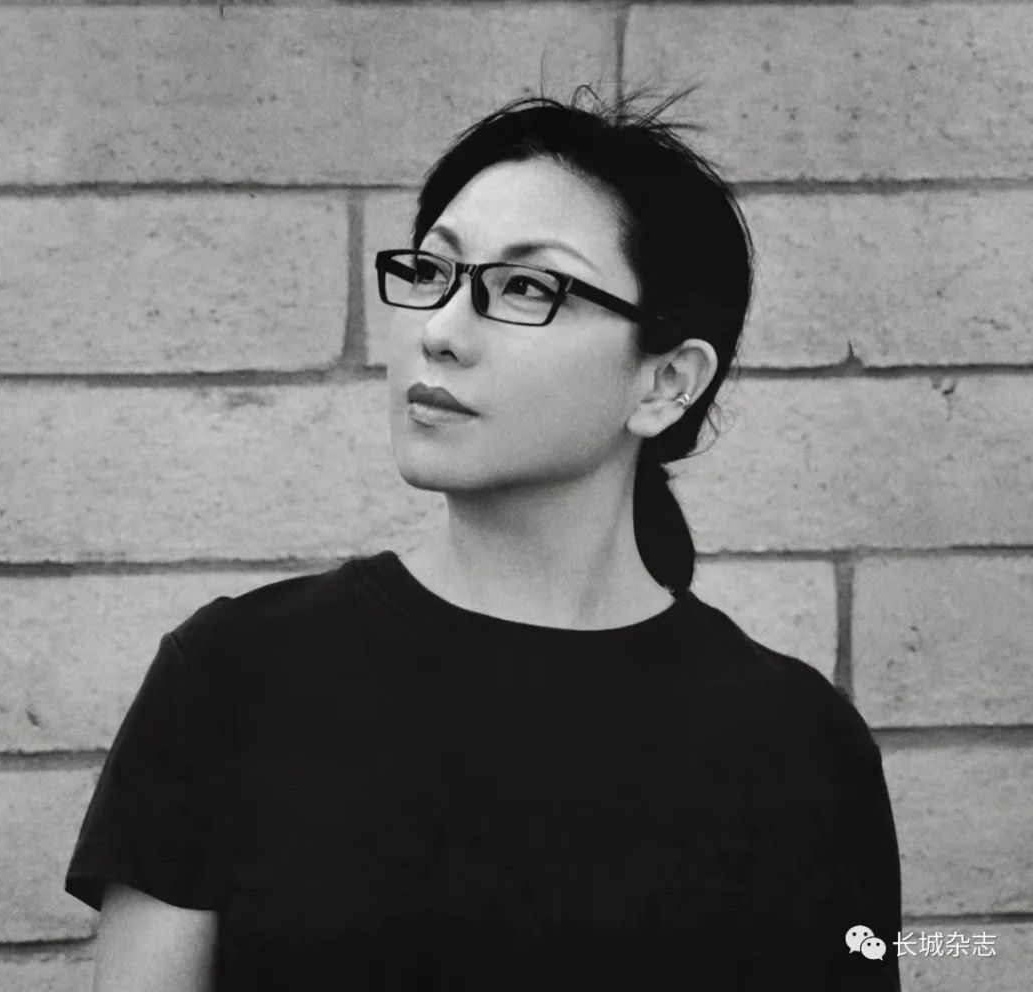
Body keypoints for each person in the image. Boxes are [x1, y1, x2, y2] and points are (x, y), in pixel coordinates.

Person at [64, 88, 902, 991]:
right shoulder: (234, 678)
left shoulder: (800, 748)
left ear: (665, 382)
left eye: (528, 288)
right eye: (432, 273)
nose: (440, 333)